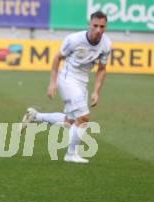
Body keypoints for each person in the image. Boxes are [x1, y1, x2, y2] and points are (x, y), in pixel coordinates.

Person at [21, 11, 111, 164]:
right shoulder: (74, 40)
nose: (98, 30)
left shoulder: (106, 44)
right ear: (89, 24)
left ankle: (36, 116)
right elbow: (57, 58)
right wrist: (52, 83)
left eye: (102, 26)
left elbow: (102, 69)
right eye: (95, 25)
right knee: (83, 118)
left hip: (82, 82)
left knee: (69, 122)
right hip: (67, 79)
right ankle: (71, 154)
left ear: (105, 27)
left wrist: (96, 91)